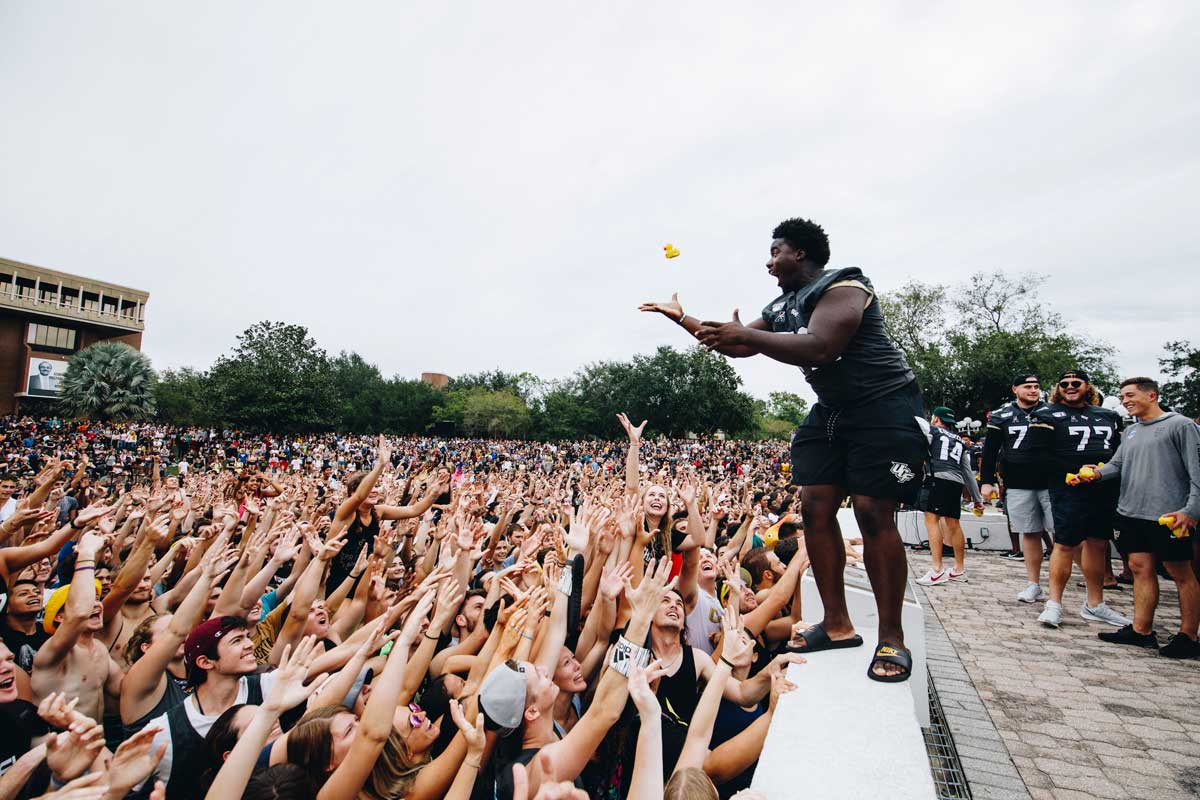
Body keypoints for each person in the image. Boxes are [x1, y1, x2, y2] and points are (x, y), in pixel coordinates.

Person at [642, 216, 926, 682]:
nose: (769, 261)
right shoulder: (780, 306)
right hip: (832, 411)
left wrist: (748, 336)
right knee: (815, 507)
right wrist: (683, 317)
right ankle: (836, 624)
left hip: (883, 406)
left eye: (776, 252)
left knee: (875, 511)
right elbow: (733, 346)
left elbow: (820, 347)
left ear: (800, 252)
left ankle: (891, 635)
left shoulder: (845, 287)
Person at [1078, 377, 1200, 658]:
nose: (1126, 401)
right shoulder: (1130, 432)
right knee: (1138, 567)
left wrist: (1191, 510)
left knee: (1181, 572)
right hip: (1131, 512)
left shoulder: (1180, 425)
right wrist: (1095, 473)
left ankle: (1189, 636)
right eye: (1123, 397)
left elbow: (1197, 471)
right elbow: (1117, 465)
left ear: (1152, 395)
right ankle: (1142, 630)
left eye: (1131, 395)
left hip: (1169, 515)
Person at [1028, 370, 1131, 629]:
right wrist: (1069, 472)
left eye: (1076, 383)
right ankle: (1054, 603)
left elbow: (1118, 452)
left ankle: (1095, 603)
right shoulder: (1046, 414)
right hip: (1068, 487)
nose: (1070, 387)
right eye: (1064, 383)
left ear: (1088, 386)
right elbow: (1038, 454)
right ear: (1058, 388)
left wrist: (1104, 473)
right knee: (1064, 543)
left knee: (1098, 543)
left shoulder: (1108, 416)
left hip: (1102, 485)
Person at [980, 375, 1056, 600]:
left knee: (1063, 533)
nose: (1033, 390)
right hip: (1019, 481)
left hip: (1050, 480)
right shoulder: (1001, 415)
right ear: (1015, 389)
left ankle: (1062, 583)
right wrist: (987, 480)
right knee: (1029, 532)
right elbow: (991, 450)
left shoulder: (1052, 412)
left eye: (1036, 387)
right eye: (1027, 387)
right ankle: (1033, 583)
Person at [916, 407, 984, 587]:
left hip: (937, 477)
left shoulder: (932, 430)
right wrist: (977, 499)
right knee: (953, 523)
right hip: (956, 482)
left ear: (936, 418)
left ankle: (937, 569)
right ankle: (959, 568)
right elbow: (967, 471)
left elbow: (915, 424)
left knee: (931, 520)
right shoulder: (960, 441)